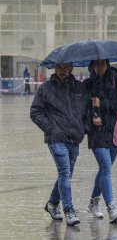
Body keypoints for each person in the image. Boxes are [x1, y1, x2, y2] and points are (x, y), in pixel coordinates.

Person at [30, 62, 88, 227]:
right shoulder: (46, 88)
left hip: (74, 138)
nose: (62, 71)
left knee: (66, 174)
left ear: (71, 69)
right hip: (56, 139)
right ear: (55, 68)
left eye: (65, 68)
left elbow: (86, 110)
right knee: (64, 172)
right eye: (59, 68)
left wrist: (83, 128)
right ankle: (69, 210)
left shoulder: (78, 87)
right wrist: (50, 128)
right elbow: (35, 111)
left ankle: (52, 203)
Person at [83, 59, 117, 223]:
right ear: (92, 66)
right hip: (96, 133)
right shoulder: (87, 84)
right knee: (106, 168)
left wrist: (102, 104)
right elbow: (82, 108)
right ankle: (112, 207)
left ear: (108, 65)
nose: (99, 67)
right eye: (96, 64)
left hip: (114, 131)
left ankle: (93, 203)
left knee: (104, 170)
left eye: (102, 64)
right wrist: (91, 117)